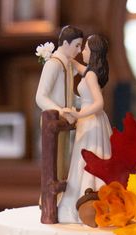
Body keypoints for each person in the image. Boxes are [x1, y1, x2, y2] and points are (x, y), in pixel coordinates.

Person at [57, 34, 112, 224]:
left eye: (86, 49)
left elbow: (99, 103)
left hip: (90, 121)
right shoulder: (90, 72)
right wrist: (65, 57)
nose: (83, 52)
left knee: (86, 159)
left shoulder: (90, 76)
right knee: (88, 158)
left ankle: (89, 202)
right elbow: (80, 69)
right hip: (92, 121)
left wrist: (78, 114)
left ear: (94, 52)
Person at [36, 25, 84, 183]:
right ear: (65, 44)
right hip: (53, 122)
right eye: (77, 45)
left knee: (63, 165)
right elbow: (40, 97)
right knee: (53, 167)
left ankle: (60, 200)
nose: (79, 50)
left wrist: (84, 102)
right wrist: (60, 111)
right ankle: (48, 201)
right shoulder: (53, 64)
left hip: (64, 121)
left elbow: (67, 95)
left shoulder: (68, 66)